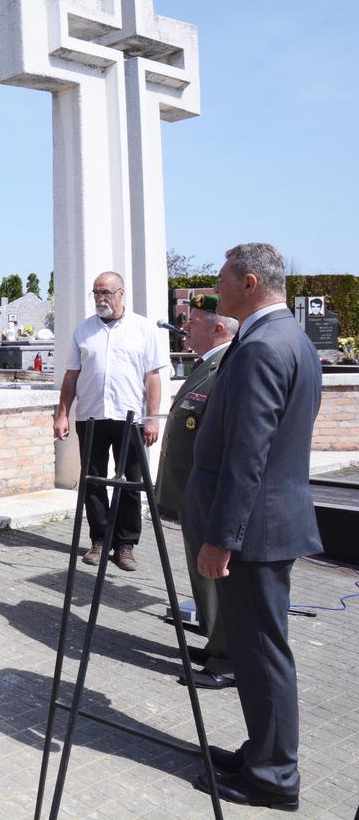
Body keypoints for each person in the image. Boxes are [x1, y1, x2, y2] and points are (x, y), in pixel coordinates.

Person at [186, 243, 322, 811]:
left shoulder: (265, 346)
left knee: (263, 653)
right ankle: (260, 750)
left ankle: (274, 777)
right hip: (265, 525)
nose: (215, 289)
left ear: (247, 282)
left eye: (221, 279)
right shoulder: (283, 336)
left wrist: (222, 539)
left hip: (256, 532)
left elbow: (249, 456)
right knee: (253, 648)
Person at [53, 271, 168, 572]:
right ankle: (100, 540)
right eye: (96, 293)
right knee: (92, 481)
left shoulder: (142, 328)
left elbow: (153, 378)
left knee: (130, 482)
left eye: (106, 292)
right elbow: (71, 377)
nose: (101, 298)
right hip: (91, 417)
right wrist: (63, 413)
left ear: (121, 294)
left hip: (130, 419)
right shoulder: (83, 331)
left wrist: (153, 419)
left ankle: (125, 545)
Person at [155, 295, 238, 690]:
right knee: (201, 576)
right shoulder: (207, 365)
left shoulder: (227, 367)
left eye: (194, 323)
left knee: (216, 576)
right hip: (192, 492)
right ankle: (214, 641)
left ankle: (228, 659)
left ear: (219, 328)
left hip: (207, 492)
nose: (185, 329)